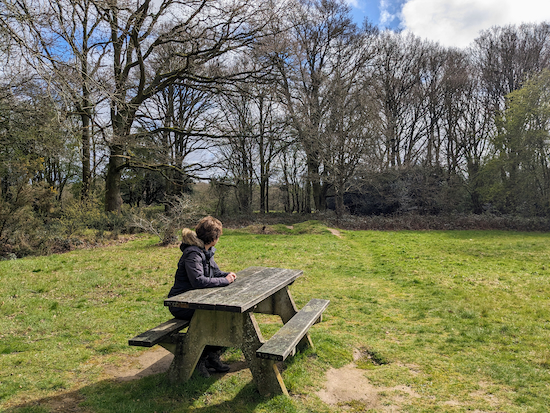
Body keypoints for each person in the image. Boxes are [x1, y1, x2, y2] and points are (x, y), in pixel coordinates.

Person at [167, 216, 237, 378]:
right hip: (181, 304)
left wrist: (227, 275)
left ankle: (212, 356)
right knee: (213, 317)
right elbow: (198, 281)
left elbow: (215, 273)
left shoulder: (205, 252)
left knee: (223, 315)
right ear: (213, 238)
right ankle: (198, 359)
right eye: (219, 236)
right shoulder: (193, 254)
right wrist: (224, 281)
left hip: (198, 302)